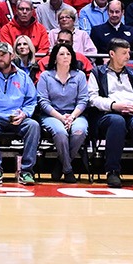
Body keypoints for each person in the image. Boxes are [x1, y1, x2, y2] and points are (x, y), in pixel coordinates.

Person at [89, 41, 133, 187]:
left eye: (128, 52)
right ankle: (112, 171)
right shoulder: (97, 72)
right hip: (108, 114)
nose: (128, 56)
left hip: (132, 112)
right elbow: (92, 99)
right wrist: (113, 106)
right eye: (124, 53)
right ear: (112, 54)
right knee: (117, 121)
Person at [0, 41, 42, 184]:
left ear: (12, 56)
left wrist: (24, 114)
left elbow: (31, 100)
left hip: (18, 117)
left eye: (3, 55)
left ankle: (26, 171)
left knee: (33, 126)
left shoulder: (23, 76)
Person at [35, 42, 89, 181]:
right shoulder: (46, 76)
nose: (65, 57)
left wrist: (71, 117)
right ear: (55, 58)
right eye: (61, 54)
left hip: (75, 114)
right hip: (52, 115)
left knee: (79, 132)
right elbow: (43, 102)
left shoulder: (80, 76)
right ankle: (68, 170)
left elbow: (83, 100)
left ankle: (61, 163)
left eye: (68, 54)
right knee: (60, 133)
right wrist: (61, 118)